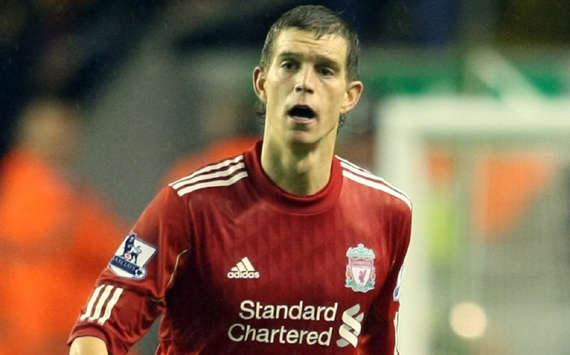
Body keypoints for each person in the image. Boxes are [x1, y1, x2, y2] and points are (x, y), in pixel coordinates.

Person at [68, 5, 412, 354]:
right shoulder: (189, 204)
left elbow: (382, 345)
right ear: (261, 83)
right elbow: (97, 331)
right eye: (290, 65)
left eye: (324, 70)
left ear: (350, 96)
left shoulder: (387, 213)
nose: (304, 84)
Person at [0, 97, 126, 354]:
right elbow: (112, 249)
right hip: (53, 330)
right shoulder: (52, 194)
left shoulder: (18, 184)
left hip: (22, 331)